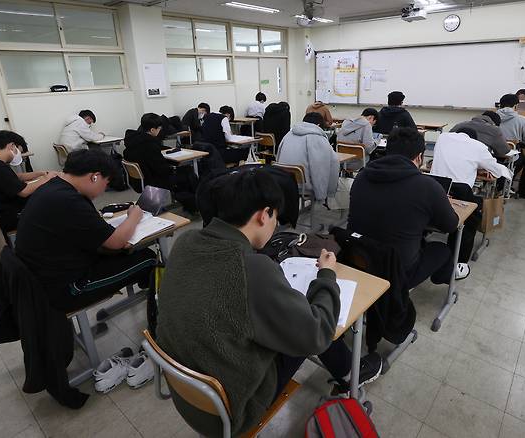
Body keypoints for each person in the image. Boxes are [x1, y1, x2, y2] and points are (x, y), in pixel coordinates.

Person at [156, 169, 382, 436]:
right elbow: (317, 333)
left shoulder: (186, 242)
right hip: (233, 411)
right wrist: (327, 275)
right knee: (313, 321)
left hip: (188, 394)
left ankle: (344, 371)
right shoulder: (251, 268)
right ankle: (348, 376)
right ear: (264, 215)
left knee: (287, 317)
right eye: (275, 217)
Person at [14, 149, 157, 314]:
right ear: (94, 177)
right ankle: (157, 308)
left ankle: (150, 291)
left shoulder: (53, 187)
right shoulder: (69, 200)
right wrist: (134, 216)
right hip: (64, 290)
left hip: (41, 278)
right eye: (106, 182)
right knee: (148, 258)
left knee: (122, 253)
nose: (104, 189)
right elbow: (116, 242)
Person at [348, 127, 469, 288]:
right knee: (441, 249)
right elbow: (451, 225)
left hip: (357, 258)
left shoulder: (362, 176)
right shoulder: (427, 187)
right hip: (397, 271)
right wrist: (440, 203)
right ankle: (445, 275)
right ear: (419, 157)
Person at [431, 128, 513, 263]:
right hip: (460, 194)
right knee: (472, 216)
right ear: (474, 139)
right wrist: (485, 168)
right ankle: (459, 263)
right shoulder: (478, 146)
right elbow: (498, 171)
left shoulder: (443, 138)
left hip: (437, 188)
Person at [0, 130, 57, 234]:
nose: (20, 156)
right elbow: (24, 192)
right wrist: (47, 178)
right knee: (48, 201)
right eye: (20, 151)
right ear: (12, 146)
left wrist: (40, 173)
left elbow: (14, 177)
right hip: (4, 217)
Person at [124, 114, 198, 212]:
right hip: (154, 180)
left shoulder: (133, 141)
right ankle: (194, 205)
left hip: (139, 181)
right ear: (152, 130)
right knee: (188, 173)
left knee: (183, 173)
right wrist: (174, 167)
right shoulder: (150, 146)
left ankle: (188, 202)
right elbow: (162, 170)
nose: (160, 130)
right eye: (159, 128)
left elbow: (153, 155)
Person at [276, 112, 340, 201]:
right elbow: (321, 167)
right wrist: (322, 193)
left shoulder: (289, 134)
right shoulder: (316, 137)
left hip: (283, 180)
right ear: (318, 125)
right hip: (303, 185)